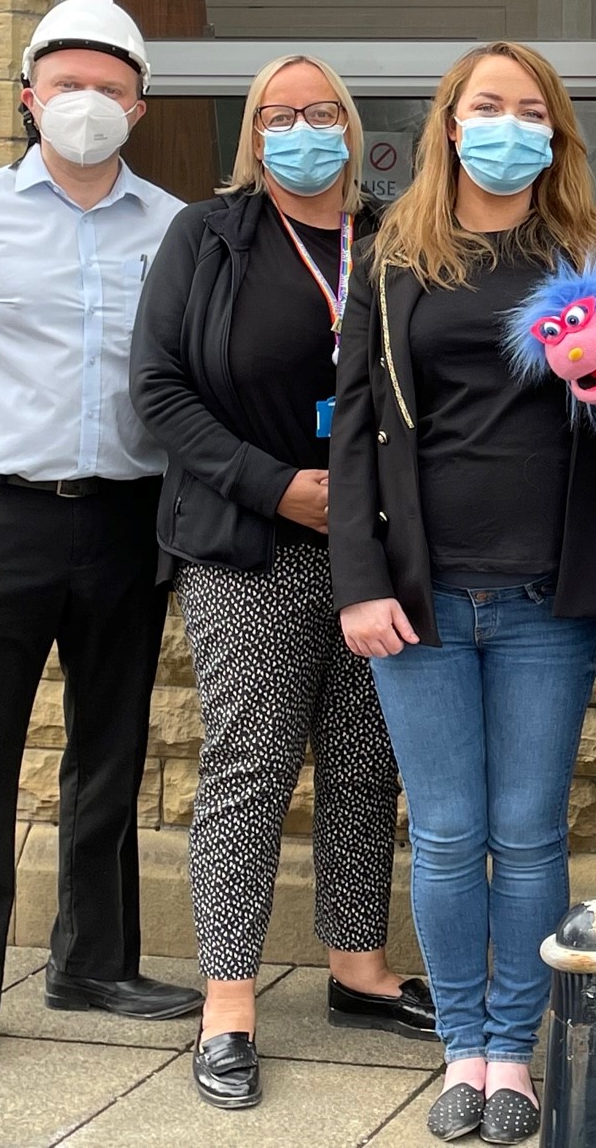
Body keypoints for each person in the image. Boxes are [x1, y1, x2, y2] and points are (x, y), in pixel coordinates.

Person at [0, 0, 196, 1089]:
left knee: (109, 753)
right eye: (67, 85)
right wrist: (0, 454)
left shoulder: (174, 229)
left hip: (125, 518)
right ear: (29, 97)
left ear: (140, 105)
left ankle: (94, 963)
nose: (87, 105)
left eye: (110, 88)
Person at [331, 40, 596, 1146]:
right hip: (416, 599)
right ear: (451, 124)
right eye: (487, 104)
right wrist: (358, 585)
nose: (508, 123)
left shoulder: (591, 251)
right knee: (451, 834)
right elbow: (356, 433)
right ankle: (460, 1045)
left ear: (556, 134)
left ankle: (516, 1053)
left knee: (530, 831)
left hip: (545, 598)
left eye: (531, 109)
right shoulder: (389, 257)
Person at [131, 55, 434, 1111]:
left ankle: (357, 965)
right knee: (251, 770)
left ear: (353, 127)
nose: (303, 128)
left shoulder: (400, 237)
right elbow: (158, 391)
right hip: (248, 544)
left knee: (366, 764)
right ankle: (228, 999)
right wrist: (277, 487)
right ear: (254, 132)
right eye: (279, 114)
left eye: (322, 112)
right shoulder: (207, 236)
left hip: (378, 550)